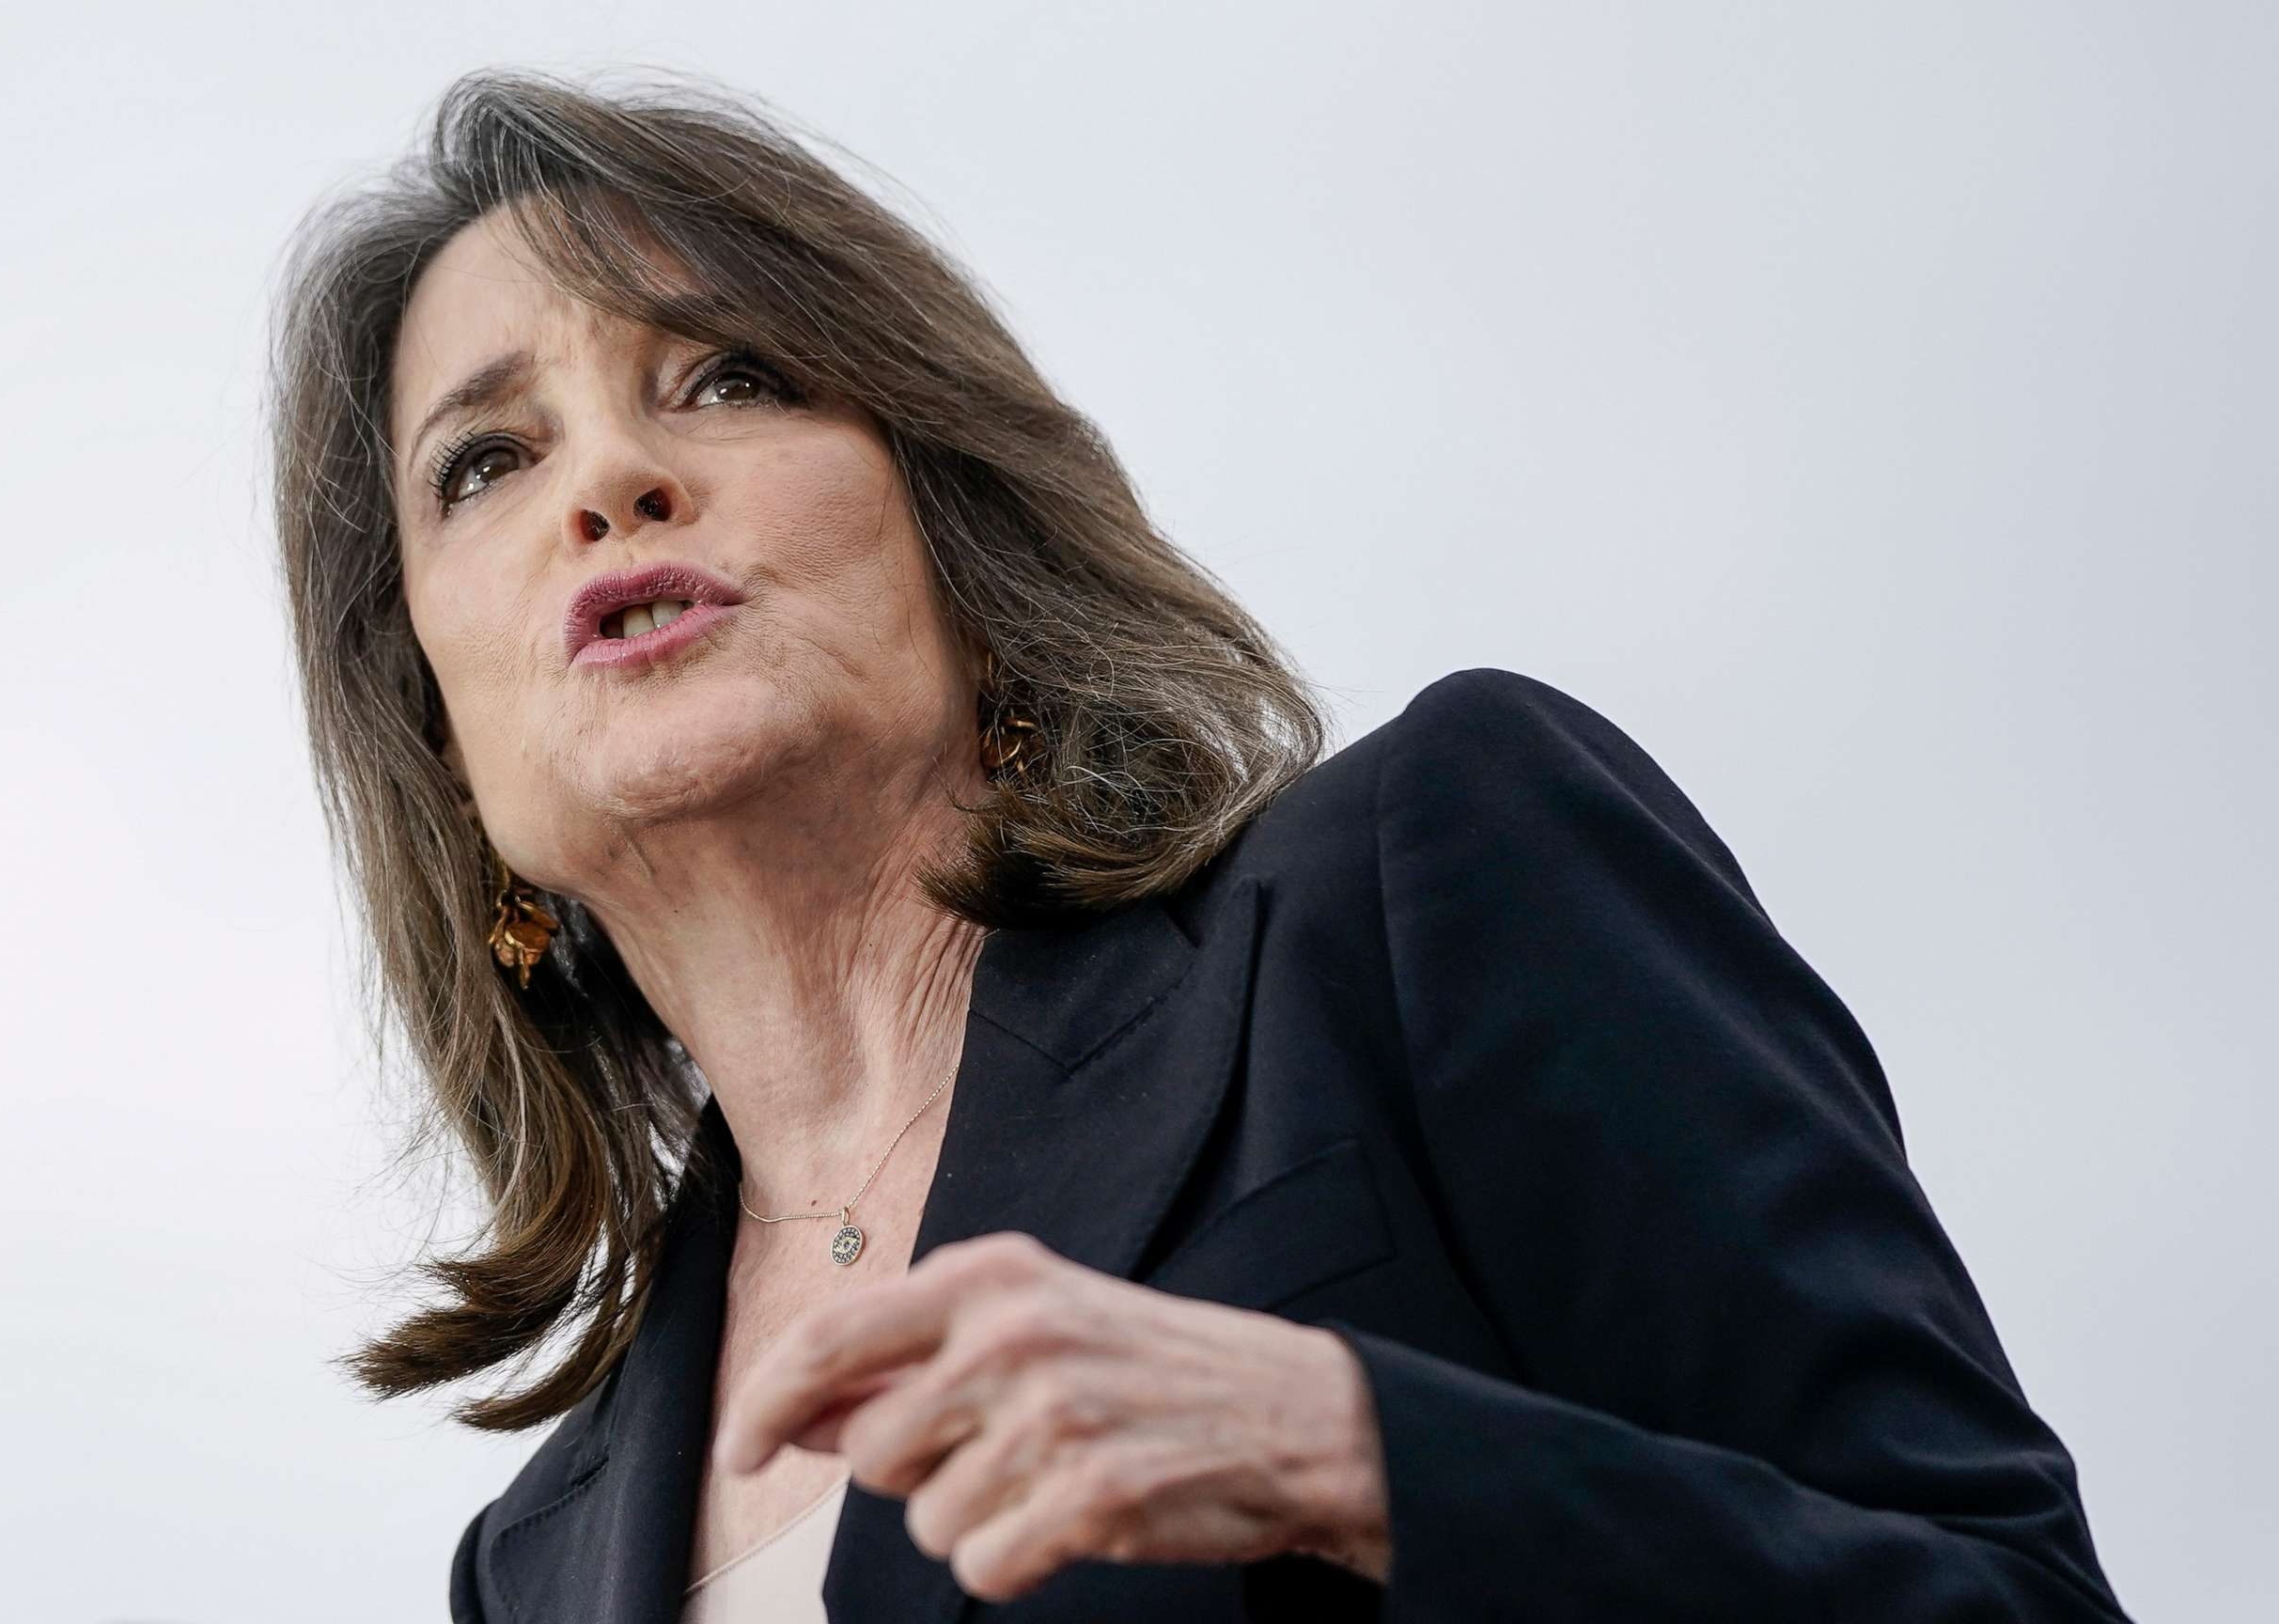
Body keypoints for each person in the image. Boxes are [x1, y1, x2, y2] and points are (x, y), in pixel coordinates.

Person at [264, 65, 2131, 1624]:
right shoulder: (536, 1561)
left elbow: (2014, 1594)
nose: (609, 478)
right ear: (438, 740)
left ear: (960, 532)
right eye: (486, 464)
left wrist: (1372, 1460)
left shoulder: (1423, 881)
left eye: (730, 377)